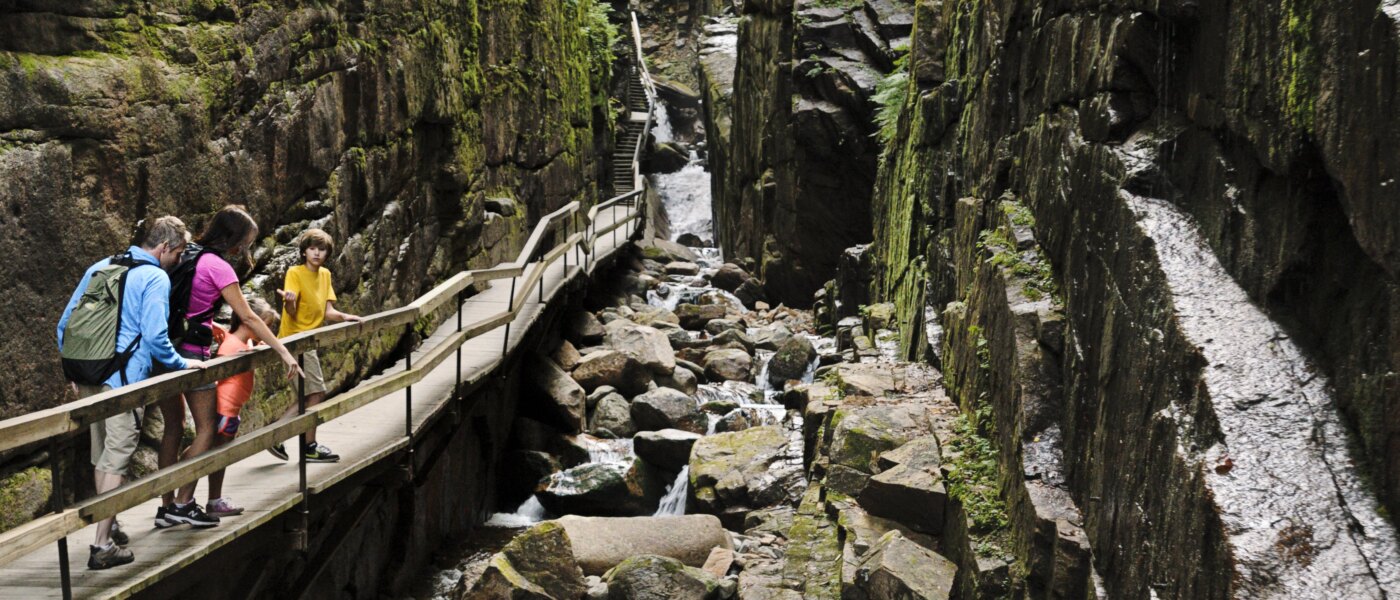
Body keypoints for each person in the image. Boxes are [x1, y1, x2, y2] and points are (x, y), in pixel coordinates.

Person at [56, 216, 210, 570]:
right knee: (118, 455)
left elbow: (64, 323)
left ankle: (106, 529)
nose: (179, 260)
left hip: (89, 374)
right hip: (122, 381)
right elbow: (156, 338)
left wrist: (74, 371)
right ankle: (100, 545)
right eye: (180, 252)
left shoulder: (102, 266)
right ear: (165, 248)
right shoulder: (154, 276)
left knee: (102, 452)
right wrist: (180, 364)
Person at [154, 206, 302, 530]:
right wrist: (284, 353)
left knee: (173, 429)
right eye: (246, 241)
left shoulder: (187, 254)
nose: (245, 249)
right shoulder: (218, 267)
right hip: (192, 354)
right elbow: (249, 317)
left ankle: (166, 507)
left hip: (163, 352)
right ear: (233, 239)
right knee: (208, 429)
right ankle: (183, 503)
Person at [267, 228, 362, 463]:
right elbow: (291, 310)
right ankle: (306, 445)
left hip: (309, 341)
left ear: (327, 254)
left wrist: (345, 317)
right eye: (312, 249)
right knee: (316, 393)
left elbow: (328, 311)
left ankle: (278, 437)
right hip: (295, 340)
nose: (316, 253)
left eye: (321, 250)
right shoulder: (295, 273)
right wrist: (289, 301)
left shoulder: (326, 275)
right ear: (304, 252)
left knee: (307, 395)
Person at [201, 297, 280, 517]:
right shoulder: (232, 346)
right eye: (265, 324)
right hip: (225, 411)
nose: (267, 330)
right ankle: (213, 500)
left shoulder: (242, 342)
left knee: (220, 454)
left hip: (231, 411)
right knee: (219, 455)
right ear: (249, 322)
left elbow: (246, 344)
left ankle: (212, 498)